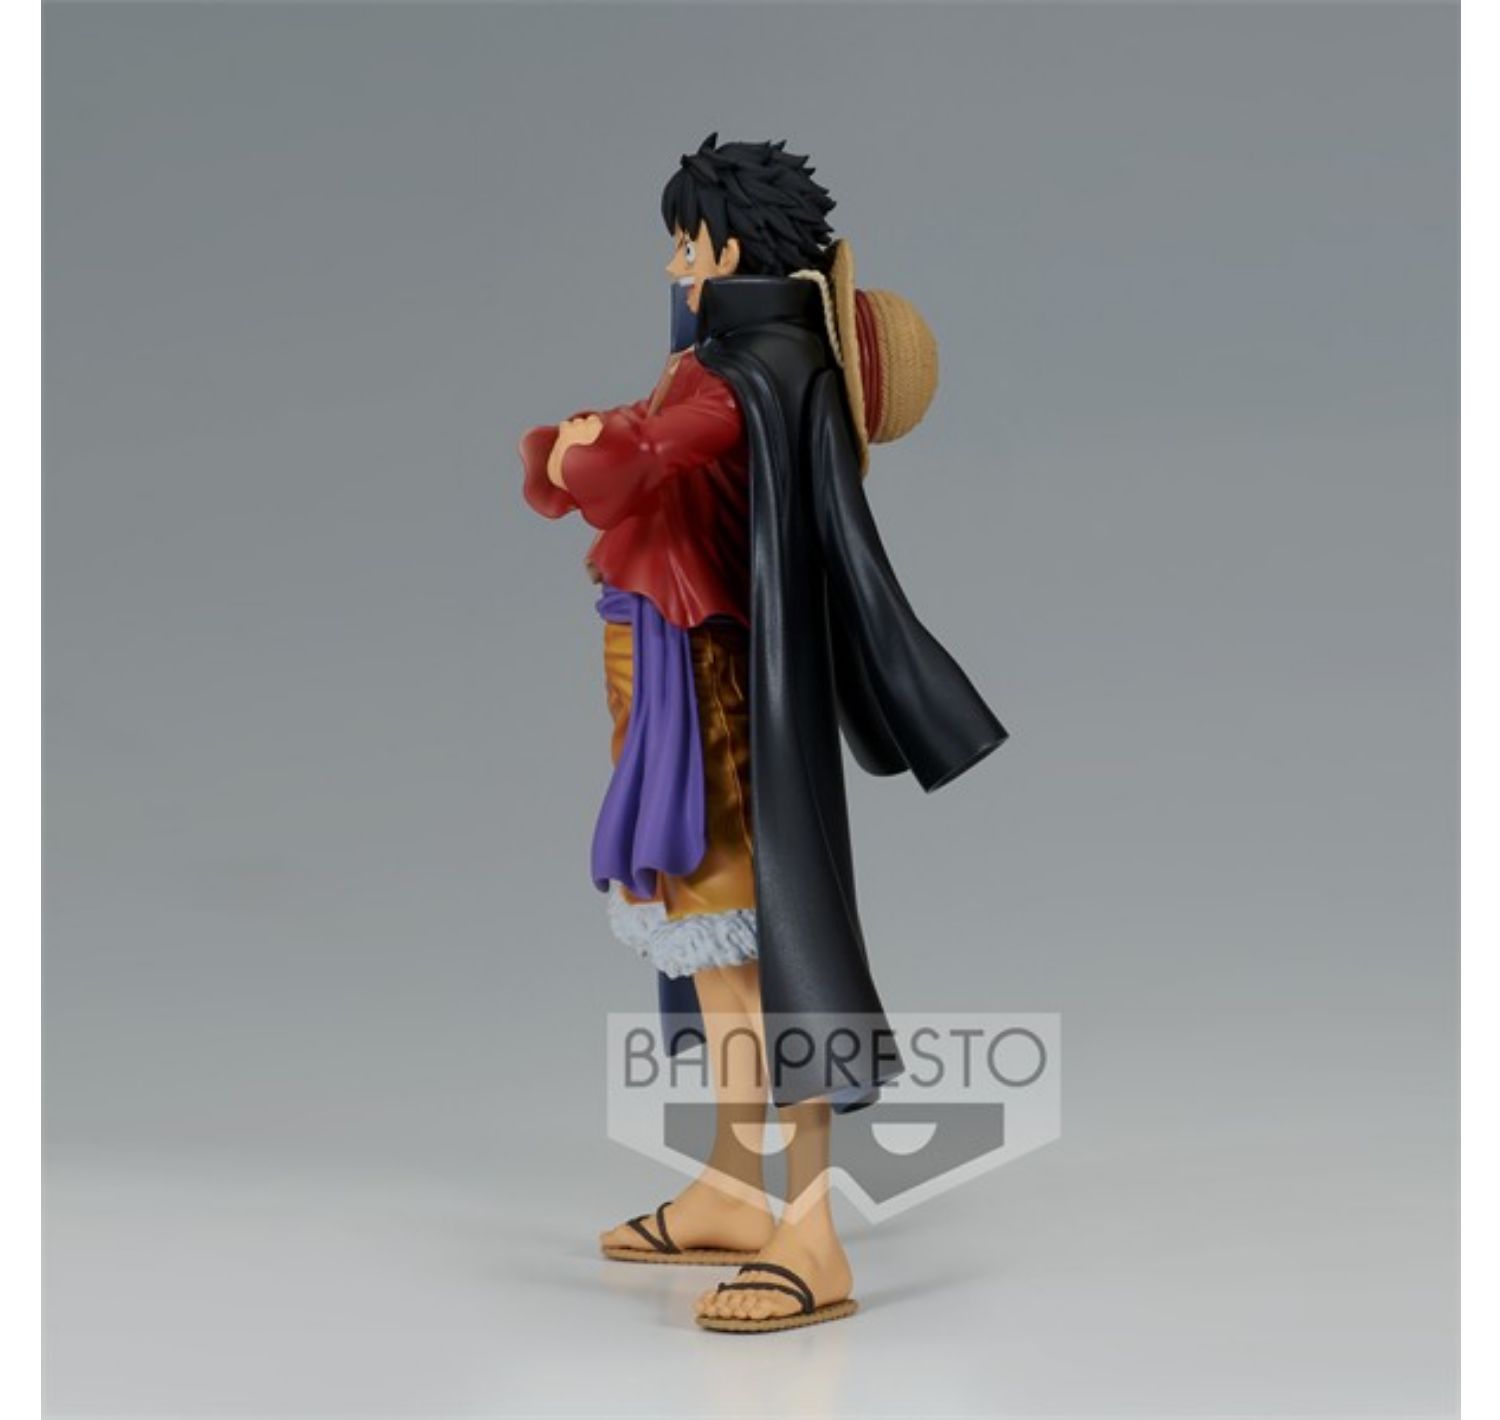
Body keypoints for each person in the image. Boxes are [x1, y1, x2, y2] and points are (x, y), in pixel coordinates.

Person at [520, 134, 1006, 1332]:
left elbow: (628, 459)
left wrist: (589, 444)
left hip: (703, 680)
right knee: (708, 939)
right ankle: (736, 1191)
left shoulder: (736, 372)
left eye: (686, 245)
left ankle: (811, 1231)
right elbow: (608, 461)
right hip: (673, 667)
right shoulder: (739, 361)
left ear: (728, 250)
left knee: (745, 951)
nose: (675, 267)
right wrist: (588, 446)